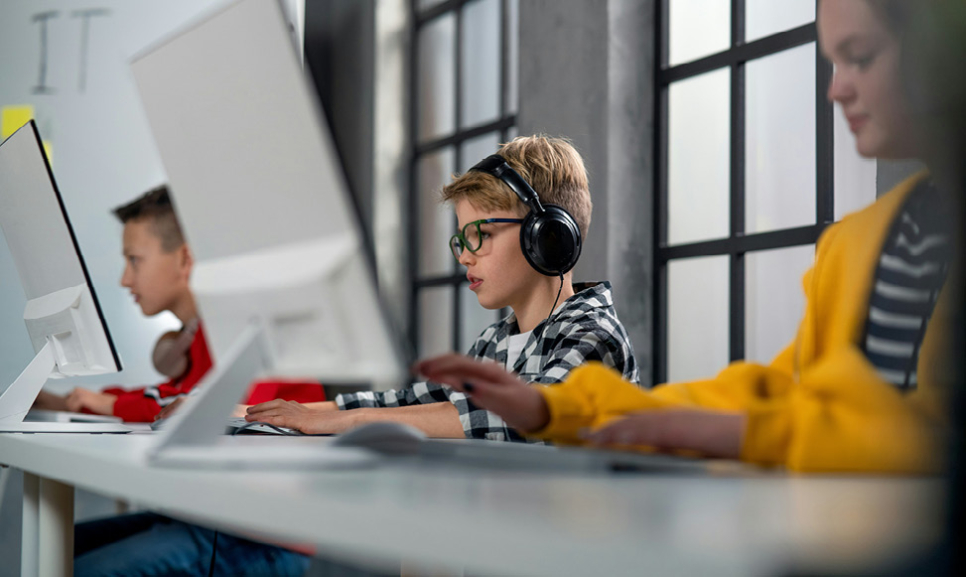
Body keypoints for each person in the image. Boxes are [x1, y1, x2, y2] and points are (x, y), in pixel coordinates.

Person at [415, 0, 957, 474]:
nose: (835, 88)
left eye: (860, 57)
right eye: (834, 61)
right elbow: (780, 393)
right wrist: (556, 410)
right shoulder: (856, 245)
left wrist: (759, 436)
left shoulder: (589, 330)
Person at [246, 135, 640, 440]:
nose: (465, 257)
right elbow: (418, 402)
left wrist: (348, 422)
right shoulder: (496, 341)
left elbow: (521, 418)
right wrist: (287, 413)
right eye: (461, 241)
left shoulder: (593, 334)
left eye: (482, 234)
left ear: (548, 237)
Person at [34, 185, 324, 422]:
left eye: (134, 260)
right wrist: (76, 401)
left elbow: (202, 406)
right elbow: (175, 394)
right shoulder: (201, 330)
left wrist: (108, 404)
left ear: (185, 259)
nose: (125, 279)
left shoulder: (244, 322)